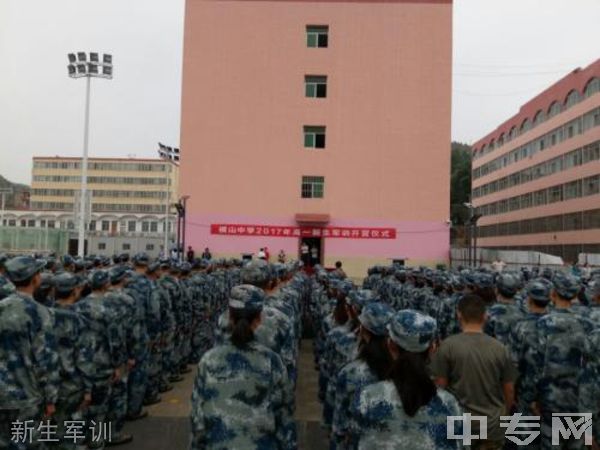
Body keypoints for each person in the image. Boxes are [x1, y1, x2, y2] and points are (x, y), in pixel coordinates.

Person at [190, 285, 294, 449]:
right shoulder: (272, 361)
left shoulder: (208, 360)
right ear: (259, 319)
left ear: (229, 317)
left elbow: (198, 419)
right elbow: (284, 415)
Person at [353, 310, 463, 449]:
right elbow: (463, 445)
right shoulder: (450, 403)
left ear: (390, 345)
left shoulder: (366, 397)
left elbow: (353, 441)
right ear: (432, 349)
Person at [431, 294, 517, 450]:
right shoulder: (500, 349)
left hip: (459, 423)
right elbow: (509, 390)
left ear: (458, 315)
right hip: (492, 425)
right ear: (485, 316)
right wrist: (503, 415)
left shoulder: (448, 346)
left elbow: (440, 387)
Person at [0, 256, 60, 450]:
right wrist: (51, 398)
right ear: (35, 278)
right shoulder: (40, 313)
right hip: (27, 395)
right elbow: (46, 360)